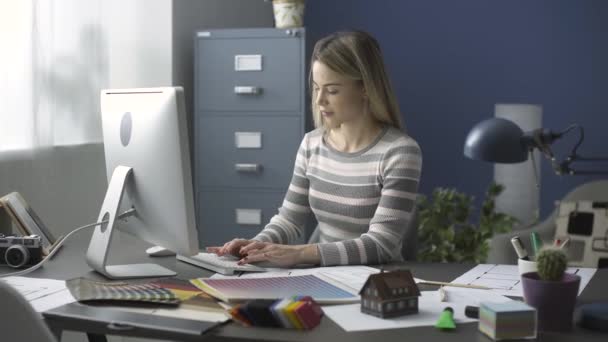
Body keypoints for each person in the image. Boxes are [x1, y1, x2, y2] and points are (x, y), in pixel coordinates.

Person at [207, 30, 422, 267]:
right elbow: (289, 220)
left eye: (332, 90)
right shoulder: (312, 144)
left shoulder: (400, 153)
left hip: (376, 281)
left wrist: (300, 253)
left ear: (365, 88)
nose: (320, 100)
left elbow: (381, 244)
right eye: (317, 88)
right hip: (324, 276)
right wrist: (254, 247)